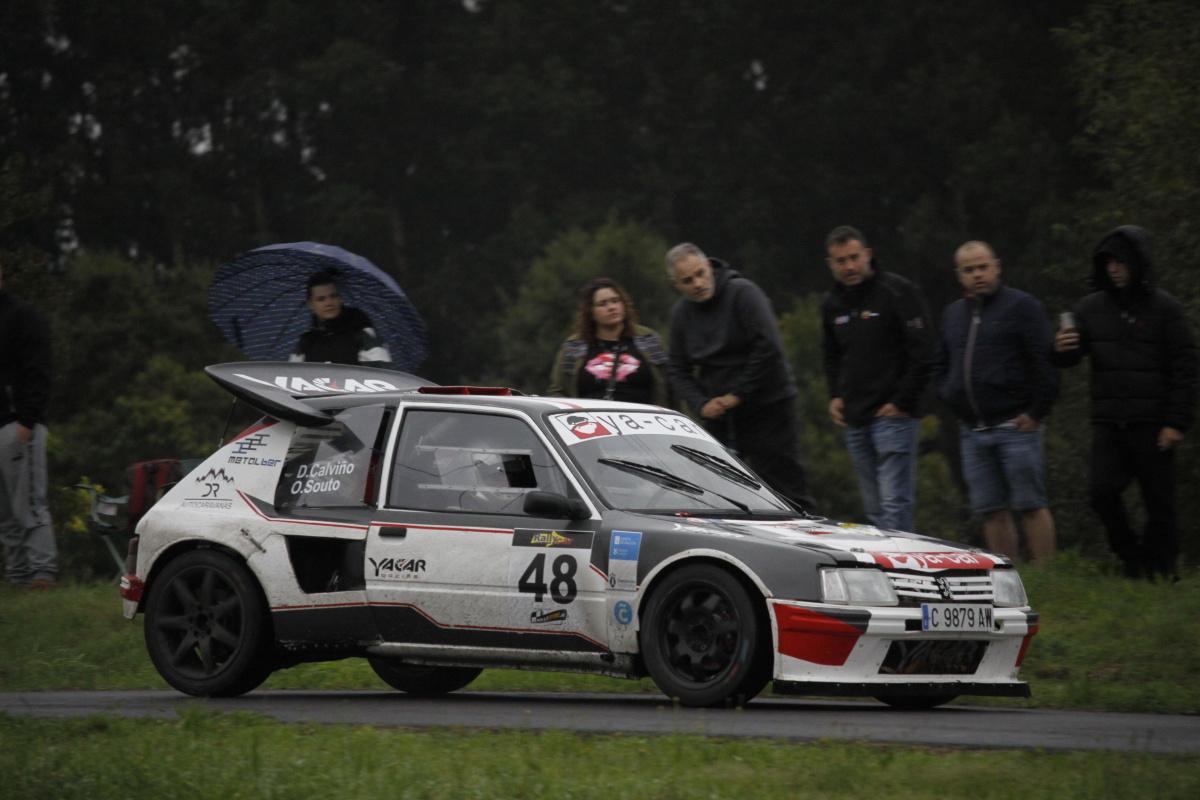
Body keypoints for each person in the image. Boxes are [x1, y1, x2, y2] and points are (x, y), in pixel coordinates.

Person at [1053, 225, 1197, 579]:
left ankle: (1162, 573)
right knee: (1101, 493)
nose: (1113, 268)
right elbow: (1070, 355)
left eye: (1120, 261)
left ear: (1137, 261)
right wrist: (1059, 348)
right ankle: (1131, 556)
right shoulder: (1090, 308)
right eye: (1107, 262)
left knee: (1159, 503)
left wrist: (1176, 422)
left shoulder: (1166, 308)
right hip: (1110, 423)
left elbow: (1186, 368)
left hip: (1154, 423)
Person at [664, 242, 812, 511]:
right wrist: (700, 404)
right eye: (687, 280)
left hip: (768, 403)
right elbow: (676, 367)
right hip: (720, 413)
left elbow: (768, 347)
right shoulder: (681, 314)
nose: (698, 284)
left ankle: (805, 529)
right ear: (676, 285)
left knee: (784, 486)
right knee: (722, 490)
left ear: (708, 266)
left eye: (700, 273)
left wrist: (738, 394)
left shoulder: (743, 293)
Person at [935, 241, 1058, 563]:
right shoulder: (953, 314)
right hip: (972, 429)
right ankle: (1008, 576)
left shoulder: (1022, 306)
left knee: (1030, 505)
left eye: (983, 267)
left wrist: (1037, 412)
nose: (977, 275)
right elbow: (941, 363)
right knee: (990, 510)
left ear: (997, 267)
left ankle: (1049, 577)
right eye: (969, 270)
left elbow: (1045, 362)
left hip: (1016, 425)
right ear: (959, 275)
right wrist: (949, 395)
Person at [821, 225, 935, 531]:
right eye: (841, 260)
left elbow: (924, 351)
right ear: (831, 264)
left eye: (854, 257)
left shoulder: (897, 291)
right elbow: (831, 354)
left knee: (894, 504)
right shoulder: (832, 303)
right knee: (874, 510)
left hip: (893, 415)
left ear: (868, 255)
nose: (849, 266)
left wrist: (902, 401)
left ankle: (902, 559)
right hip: (855, 417)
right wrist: (835, 395)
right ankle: (888, 560)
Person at [0, 259, 58, 588]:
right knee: (5, 511)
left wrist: (27, 420)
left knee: (30, 505)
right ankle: (18, 575)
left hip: (19, 424)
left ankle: (42, 573)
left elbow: (39, 371)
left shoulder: (23, 316)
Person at [548, 277, 670, 406]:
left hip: (643, 416)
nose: (611, 307)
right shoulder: (574, 346)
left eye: (615, 301)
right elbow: (558, 392)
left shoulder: (649, 340)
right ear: (591, 312)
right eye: (602, 304)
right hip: (591, 417)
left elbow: (669, 385)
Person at [290, 269, 392, 366]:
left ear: (340, 298)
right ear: (311, 304)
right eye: (321, 299)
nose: (329, 303)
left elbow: (381, 371)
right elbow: (292, 375)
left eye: (333, 296)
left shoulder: (361, 332)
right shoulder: (306, 342)